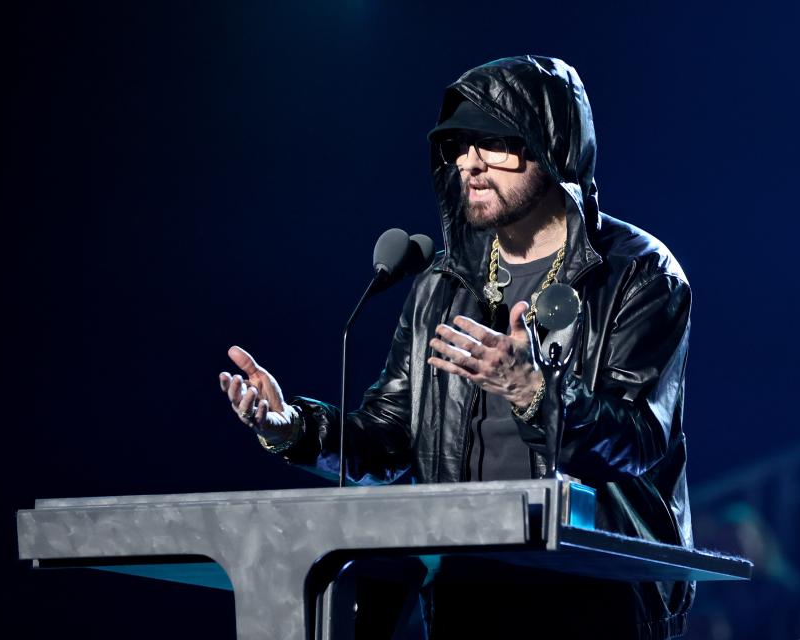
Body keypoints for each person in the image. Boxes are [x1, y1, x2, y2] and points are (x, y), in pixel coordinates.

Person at [219, 55, 694, 639]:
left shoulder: (638, 275)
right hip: (468, 592)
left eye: (493, 142)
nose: (469, 163)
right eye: (458, 146)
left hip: (596, 597)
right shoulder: (441, 285)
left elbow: (638, 442)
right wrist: (294, 427)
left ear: (552, 145)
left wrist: (532, 390)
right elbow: (392, 437)